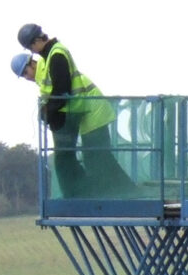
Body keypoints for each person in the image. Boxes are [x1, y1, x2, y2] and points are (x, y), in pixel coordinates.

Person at [14, 23, 135, 197]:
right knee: (95, 158)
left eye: (25, 73)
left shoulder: (56, 55)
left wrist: (49, 111)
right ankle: (118, 191)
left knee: (98, 158)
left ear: (35, 43)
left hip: (92, 110)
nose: (27, 78)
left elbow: (61, 90)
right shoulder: (49, 57)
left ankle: (125, 192)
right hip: (84, 111)